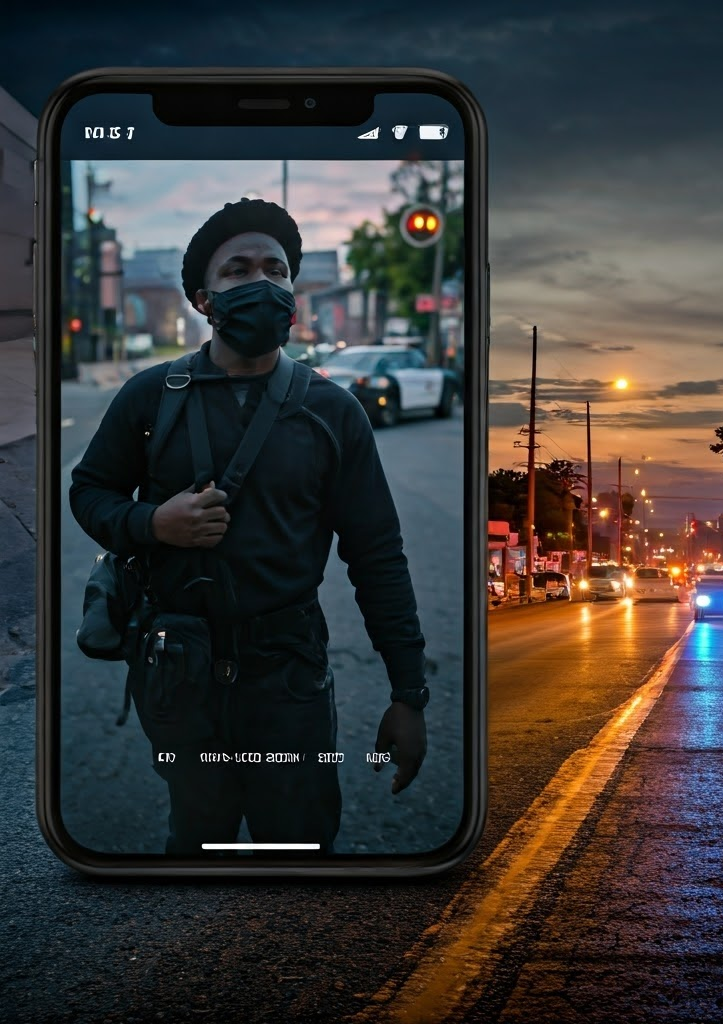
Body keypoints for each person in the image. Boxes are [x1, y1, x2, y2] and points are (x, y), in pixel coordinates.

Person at [69, 198, 429, 855]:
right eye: (238, 270)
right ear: (204, 301)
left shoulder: (333, 412)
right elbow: (89, 492)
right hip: (178, 669)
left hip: (287, 674)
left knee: (297, 846)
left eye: (277, 268)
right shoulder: (151, 396)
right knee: (198, 838)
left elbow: (378, 557)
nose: (261, 281)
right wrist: (153, 524)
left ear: (293, 291)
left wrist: (409, 695)